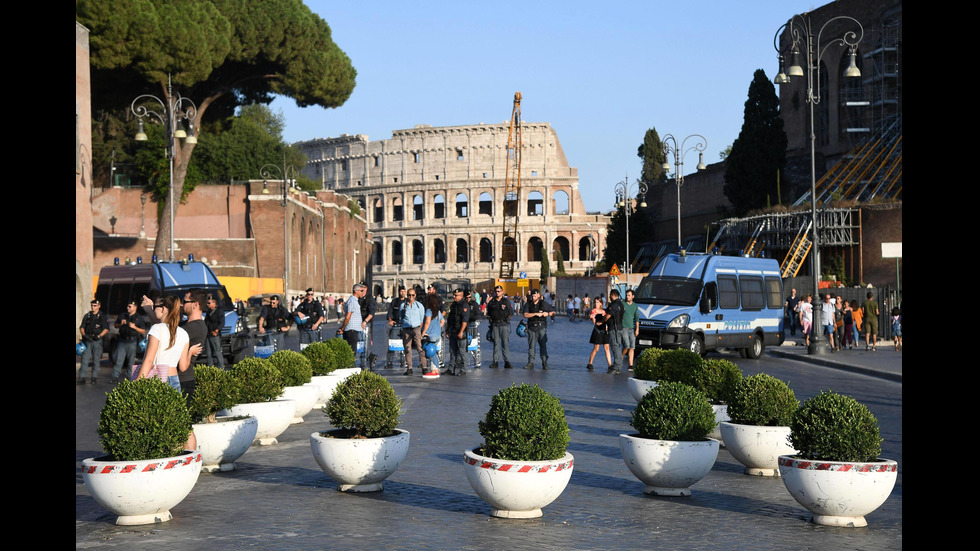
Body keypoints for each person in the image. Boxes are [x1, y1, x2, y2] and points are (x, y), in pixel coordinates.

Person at [136, 295, 198, 451]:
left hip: (157, 379)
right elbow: (183, 366)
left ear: (163, 309)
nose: (154, 310)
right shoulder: (183, 333)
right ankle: (190, 457)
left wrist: (136, 383)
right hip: (174, 379)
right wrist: (190, 352)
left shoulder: (156, 329)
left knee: (156, 422)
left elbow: (148, 361)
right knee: (181, 423)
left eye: (156, 307)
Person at [180, 289, 209, 405]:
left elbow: (168, 334)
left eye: (184, 301)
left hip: (183, 379)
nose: (182, 304)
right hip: (181, 377)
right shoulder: (185, 325)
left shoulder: (196, 327)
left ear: (195, 305)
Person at [110, 299, 148, 383]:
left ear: (135, 307)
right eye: (127, 306)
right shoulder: (123, 315)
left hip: (132, 341)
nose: (128, 308)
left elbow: (143, 331)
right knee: (119, 360)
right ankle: (114, 377)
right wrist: (120, 324)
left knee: (131, 362)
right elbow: (115, 325)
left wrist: (134, 327)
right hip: (122, 341)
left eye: (130, 307)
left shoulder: (139, 318)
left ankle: (130, 378)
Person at [78, 299, 110, 384]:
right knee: (85, 359)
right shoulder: (87, 315)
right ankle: (82, 377)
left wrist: (99, 336)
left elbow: (106, 329)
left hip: (97, 341)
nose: (93, 307)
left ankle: (94, 378)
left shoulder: (102, 316)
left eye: (95, 306)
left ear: (99, 306)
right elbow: (82, 327)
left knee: (96, 360)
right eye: (92, 305)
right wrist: (84, 334)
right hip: (88, 340)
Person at [522, 288, 555, 370]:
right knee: (531, 346)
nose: (534, 297)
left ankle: (544, 362)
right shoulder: (528, 304)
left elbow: (553, 312)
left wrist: (546, 314)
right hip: (532, 327)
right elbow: (525, 315)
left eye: (535, 295)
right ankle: (530, 363)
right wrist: (535, 314)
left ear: (539, 296)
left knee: (543, 345)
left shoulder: (543, 303)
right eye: (533, 295)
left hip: (541, 327)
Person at [396, 287, 425, 375]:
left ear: (415, 295)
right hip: (406, 329)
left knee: (420, 348)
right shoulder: (403, 306)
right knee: (407, 349)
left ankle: (424, 367)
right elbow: (400, 317)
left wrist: (419, 327)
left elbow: (422, 317)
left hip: (416, 328)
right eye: (409, 295)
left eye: (412, 295)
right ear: (407, 296)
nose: (411, 297)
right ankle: (409, 368)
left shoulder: (419, 305)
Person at [486, 285, 515, 369]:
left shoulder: (506, 302)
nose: (498, 292)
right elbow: (489, 314)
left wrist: (506, 319)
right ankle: (495, 361)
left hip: (504, 324)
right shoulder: (492, 302)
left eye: (499, 291)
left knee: (505, 343)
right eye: (496, 291)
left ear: (502, 292)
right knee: (496, 343)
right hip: (495, 324)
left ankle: (507, 361)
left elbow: (511, 313)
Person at [444, 289, 470, 376]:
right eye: (454, 295)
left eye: (456, 295)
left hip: (460, 331)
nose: (454, 297)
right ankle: (451, 368)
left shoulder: (464, 306)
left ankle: (463, 369)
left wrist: (461, 331)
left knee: (462, 351)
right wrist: (447, 330)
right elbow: (450, 318)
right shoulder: (453, 305)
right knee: (452, 351)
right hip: (453, 330)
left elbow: (464, 320)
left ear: (461, 296)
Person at [420, 293, 445, 376]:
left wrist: (423, 332)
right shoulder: (438, 312)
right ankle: (435, 369)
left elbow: (427, 322)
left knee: (431, 352)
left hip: (430, 335)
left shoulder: (429, 311)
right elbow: (442, 321)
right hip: (437, 334)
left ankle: (434, 370)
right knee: (434, 352)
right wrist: (437, 328)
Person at [603, 289, 626, 374]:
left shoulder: (615, 305)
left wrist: (602, 321)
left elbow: (607, 316)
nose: (609, 296)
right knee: (618, 347)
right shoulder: (621, 304)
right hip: (619, 328)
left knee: (615, 347)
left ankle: (617, 367)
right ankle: (618, 365)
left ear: (613, 295)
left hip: (614, 328)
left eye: (610, 295)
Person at [341, 283, 366, 356]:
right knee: (352, 350)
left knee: (353, 350)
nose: (363, 293)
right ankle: (350, 365)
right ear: (356, 291)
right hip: (351, 329)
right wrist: (343, 327)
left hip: (354, 329)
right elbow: (348, 316)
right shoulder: (352, 301)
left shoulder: (355, 300)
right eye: (361, 291)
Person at [586, 299, 611, 372]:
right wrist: (593, 319)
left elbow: (606, 319)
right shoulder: (593, 311)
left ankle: (610, 365)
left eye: (598, 302)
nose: (596, 304)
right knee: (596, 348)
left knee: (607, 347)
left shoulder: (604, 311)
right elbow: (593, 319)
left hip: (604, 330)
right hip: (597, 330)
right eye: (595, 302)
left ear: (601, 303)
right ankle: (590, 363)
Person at [386, 286, 408, 369]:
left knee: (405, 344)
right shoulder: (394, 301)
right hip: (395, 325)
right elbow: (390, 312)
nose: (403, 293)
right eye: (401, 291)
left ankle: (404, 361)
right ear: (399, 292)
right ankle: (389, 362)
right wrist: (390, 320)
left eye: (404, 291)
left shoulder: (407, 301)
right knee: (392, 343)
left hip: (405, 325)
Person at [204, 293, 225, 368]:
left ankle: (221, 368)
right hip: (208, 334)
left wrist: (216, 330)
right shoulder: (208, 311)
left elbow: (222, 322)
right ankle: (210, 369)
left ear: (214, 303)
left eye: (209, 303)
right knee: (209, 354)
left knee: (217, 352)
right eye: (207, 303)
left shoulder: (219, 311)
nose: (207, 304)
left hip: (214, 334)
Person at [621, 289, 640, 371]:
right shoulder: (623, 304)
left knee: (632, 347)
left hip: (632, 328)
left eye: (629, 295)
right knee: (626, 345)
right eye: (627, 295)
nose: (627, 297)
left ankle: (630, 365)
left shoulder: (635, 306)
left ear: (633, 296)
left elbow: (637, 318)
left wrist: (637, 329)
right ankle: (620, 359)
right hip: (624, 328)